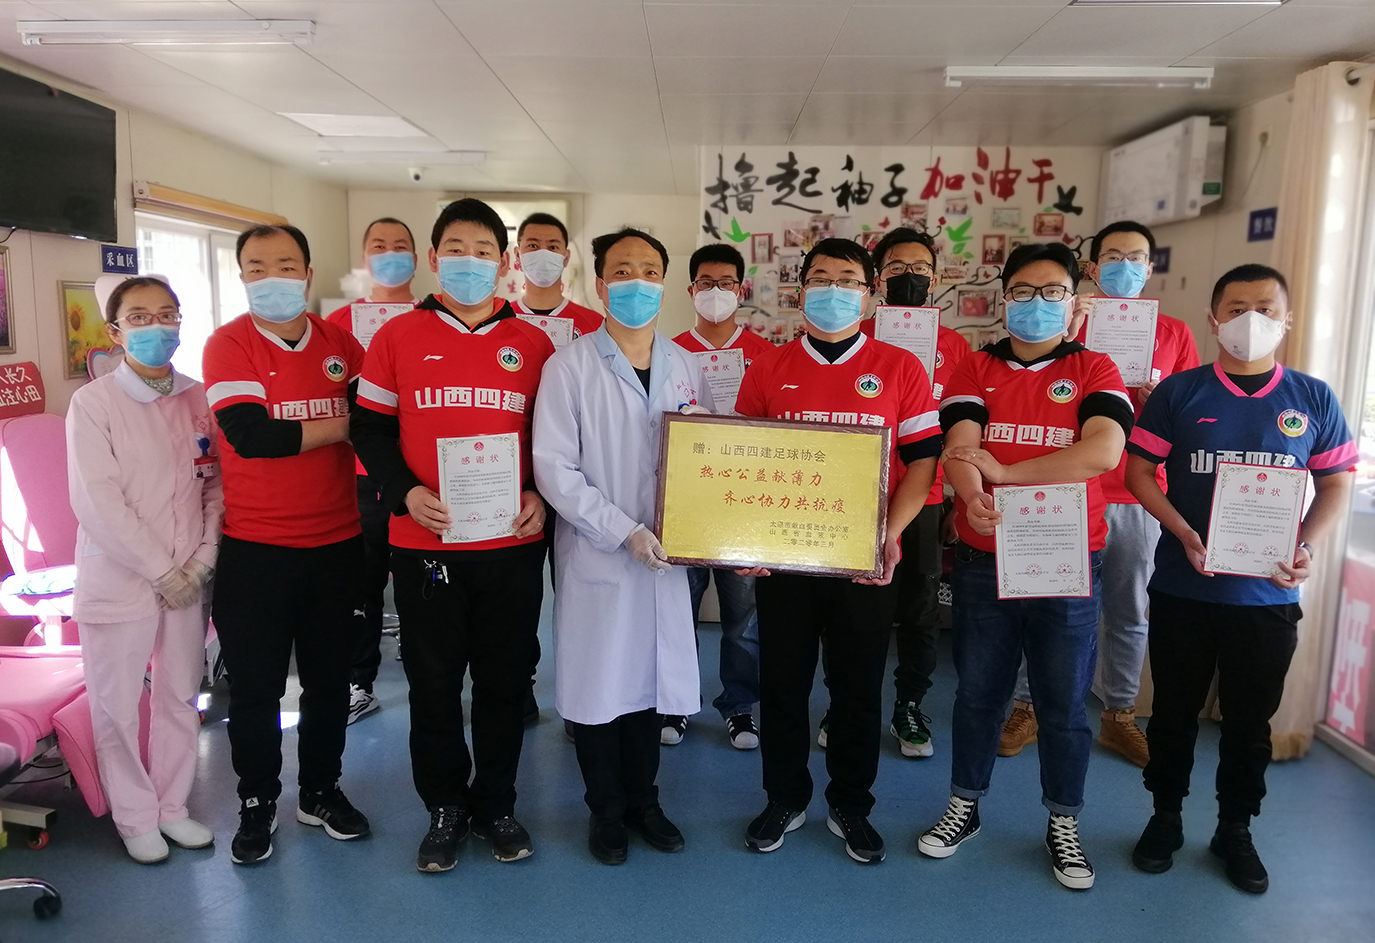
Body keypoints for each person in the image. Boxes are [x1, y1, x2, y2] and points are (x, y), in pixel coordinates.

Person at [1125, 264, 1355, 894]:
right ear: (1214, 319)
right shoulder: (1181, 393)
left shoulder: (1312, 397)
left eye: (1265, 308)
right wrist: (1181, 530)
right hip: (1184, 588)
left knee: (1250, 723)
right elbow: (1139, 473)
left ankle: (1235, 829)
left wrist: (1305, 544)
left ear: (1286, 320)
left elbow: (1337, 483)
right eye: (1236, 308)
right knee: (1172, 714)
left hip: (1267, 594)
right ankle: (1165, 818)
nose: (1250, 320)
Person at [918, 242, 1132, 891]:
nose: (1036, 304)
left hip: (1066, 560)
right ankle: (964, 804)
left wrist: (1005, 476)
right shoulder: (975, 366)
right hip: (984, 560)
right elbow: (961, 446)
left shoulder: (1094, 367)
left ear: (1072, 302)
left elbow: (1102, 450)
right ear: (1003, 298)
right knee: (977, 693)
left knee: (1062, 702)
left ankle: (1063, 820)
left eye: (1051, 292)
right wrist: (971, 496)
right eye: (1022, 292)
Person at [352, 199, 554, 872]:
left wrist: (540, 494)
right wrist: (403, 492)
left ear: (505, 261)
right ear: (435, 259)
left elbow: (554, 440)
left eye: (483, 251)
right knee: (433, 684)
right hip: (424, 546)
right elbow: (370, 428)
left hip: (510, 544)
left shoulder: (533, 343)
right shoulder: (397, 337)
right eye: (457, 250)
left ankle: (496, 803)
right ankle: (444, 806)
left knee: (503, 682)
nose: (470, 262)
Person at [735, 237, 942, 864]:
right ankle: (784, 797)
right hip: (785, 560)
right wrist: (747, 536)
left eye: (848, 280)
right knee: (783, 684)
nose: (834, 291)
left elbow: (923, 462)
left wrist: (890, 533)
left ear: (871, 293)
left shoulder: (900, 367)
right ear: (801, 292)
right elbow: (742, 456)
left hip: (862, 560)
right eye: (820, 279)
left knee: (856, 688)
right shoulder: (768, 366)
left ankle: (851, 804)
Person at [532, 228, 712, 865]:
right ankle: (605, 810)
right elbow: (555, 470)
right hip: (600, 553)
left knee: (649, 685)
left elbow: (706, 454)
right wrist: (623, 530)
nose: (638, 282)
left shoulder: (686, 365)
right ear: (601, 285)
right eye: (623, 271)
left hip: (666, 556)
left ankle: (646, 803)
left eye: (650, 271)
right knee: (599, 688)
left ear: (664, 283)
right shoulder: (569, 366)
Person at [1000, 221, 1199, 767]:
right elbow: (1033, 388)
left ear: (1150, 268)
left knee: (1129, 609)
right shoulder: (1063, 320)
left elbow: (1187, 417)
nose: (1124, 266)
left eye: (1136, 257)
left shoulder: (1174, 333)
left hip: (1138, 491)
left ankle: (1119, 714)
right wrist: (1072, 326)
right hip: (1063, 488)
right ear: (1091, 267)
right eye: (1112, 256)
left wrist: (1161, 402)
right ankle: (1027, 706)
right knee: (1043, 598)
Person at [203, 224, 370, 866]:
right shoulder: (228, 345)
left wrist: (346, 426)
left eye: (285, 264)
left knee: (329, 684)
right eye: (256, 266)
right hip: (257, 550)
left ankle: (321, 791)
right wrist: (344, 424)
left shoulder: (340, 344)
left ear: (307, 273)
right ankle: (257, 801)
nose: (271, 276)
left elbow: (376, 423)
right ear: (242, 275)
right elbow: (253, 437)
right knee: (256, 689)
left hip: (336, 544)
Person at [67, 275, 223, 864]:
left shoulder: (199, 397)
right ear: (115, 332)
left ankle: (171, 806)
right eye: (139, 317)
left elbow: (215, 488)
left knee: (180, 695)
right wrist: (161, 570)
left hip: (188, 577)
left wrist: (201, 561)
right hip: (122, 577)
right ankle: (135, 816)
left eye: (167, 314)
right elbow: (98, 501)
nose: (156, 326)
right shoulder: (94, 404)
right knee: (117, 705)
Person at [851, 227, 972, 758]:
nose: (909, 277)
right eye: (897, 269)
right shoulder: (854, 333)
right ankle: (848, 702)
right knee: (856, 606)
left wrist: (958, 503)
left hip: (927, 495)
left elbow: (965, 431)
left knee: (920, 609)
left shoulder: (955, 347)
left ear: (935, 278)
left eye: (920, 269)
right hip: (855, 495)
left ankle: (909, 704)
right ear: (878, 281)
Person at [667, 242, 774, 750]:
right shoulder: (666, 352)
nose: (716, 291)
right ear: (691, 290)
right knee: (677, 611)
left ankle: (740, 707)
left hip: (745, 507)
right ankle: (675, 703)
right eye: (706, 283)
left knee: (743, 618)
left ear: (741, 290)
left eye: (726, 283)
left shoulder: (767, 356)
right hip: (684, 502)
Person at [325, 217, 421, 725]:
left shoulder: (431, 318)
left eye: (400, 246)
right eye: (379, 245)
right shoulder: (339, 322)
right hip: (361, 477)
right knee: (361, 583)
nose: (390, 253)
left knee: (419, 578)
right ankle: (358, 682)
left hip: (419, 475)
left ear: (418, 258)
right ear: (365, 257)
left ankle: (420, 660)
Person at [511, 211, 603, 340]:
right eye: (533, 246)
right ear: (517, 255)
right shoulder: (500, 320)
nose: (543, 253)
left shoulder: (595, 325)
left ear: (566, 257)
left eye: (553, 247)